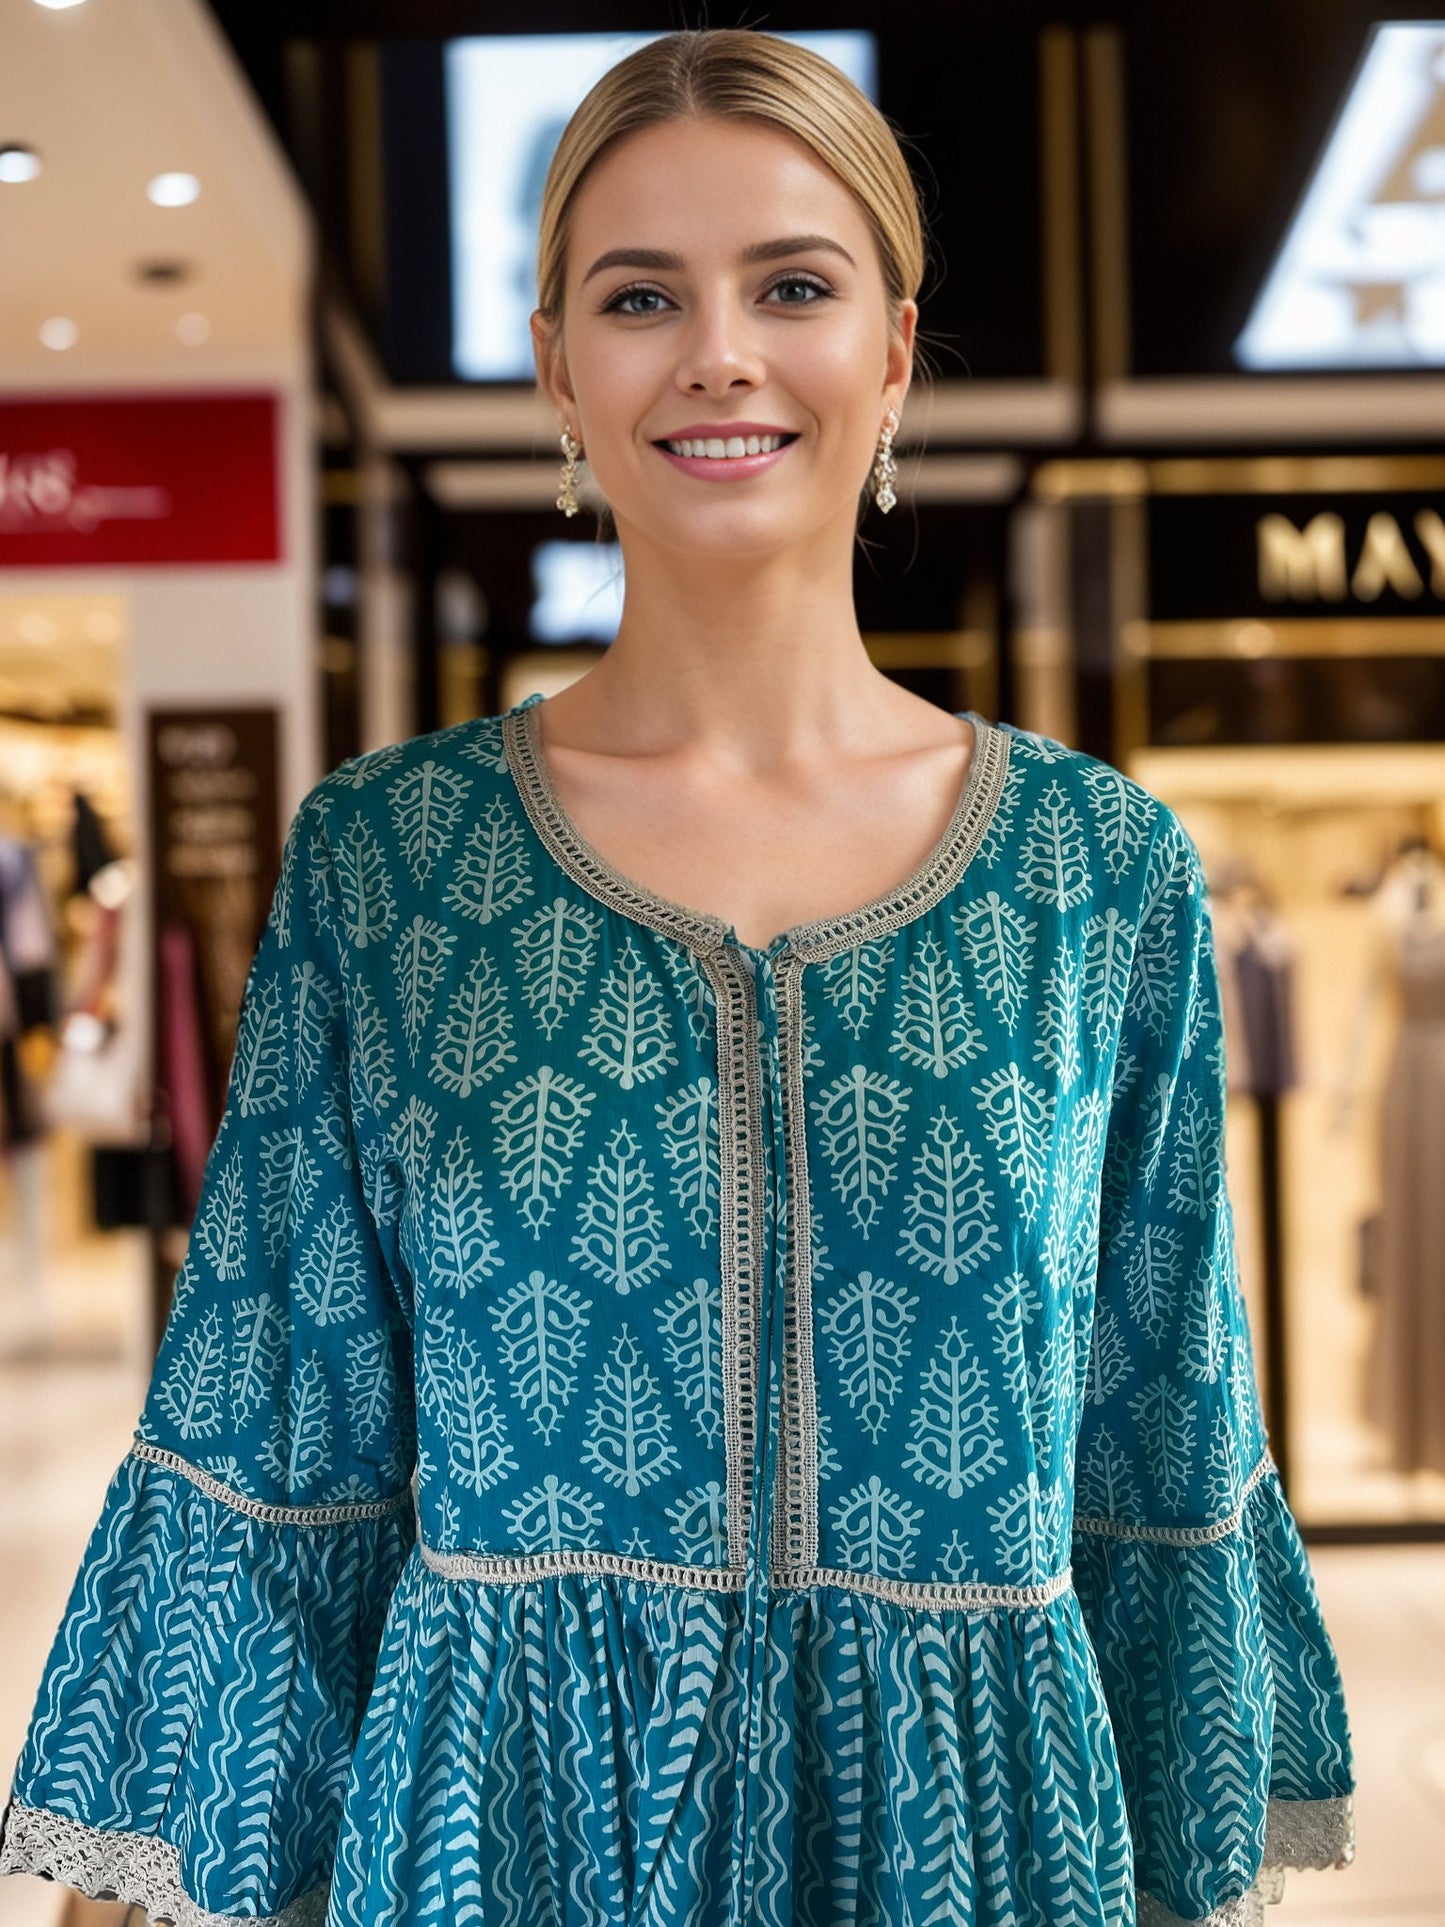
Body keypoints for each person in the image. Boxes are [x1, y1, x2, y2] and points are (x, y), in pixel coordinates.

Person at [0, 28, 1355, 1927]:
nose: (718, 350)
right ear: (558, 365)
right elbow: (279, 1409)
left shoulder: (1090, 874)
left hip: (968, 1858)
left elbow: (1161, 1416)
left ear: (889, 347)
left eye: (790, 285)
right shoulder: (389, 866)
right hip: (505, 1848)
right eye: (641, 296)